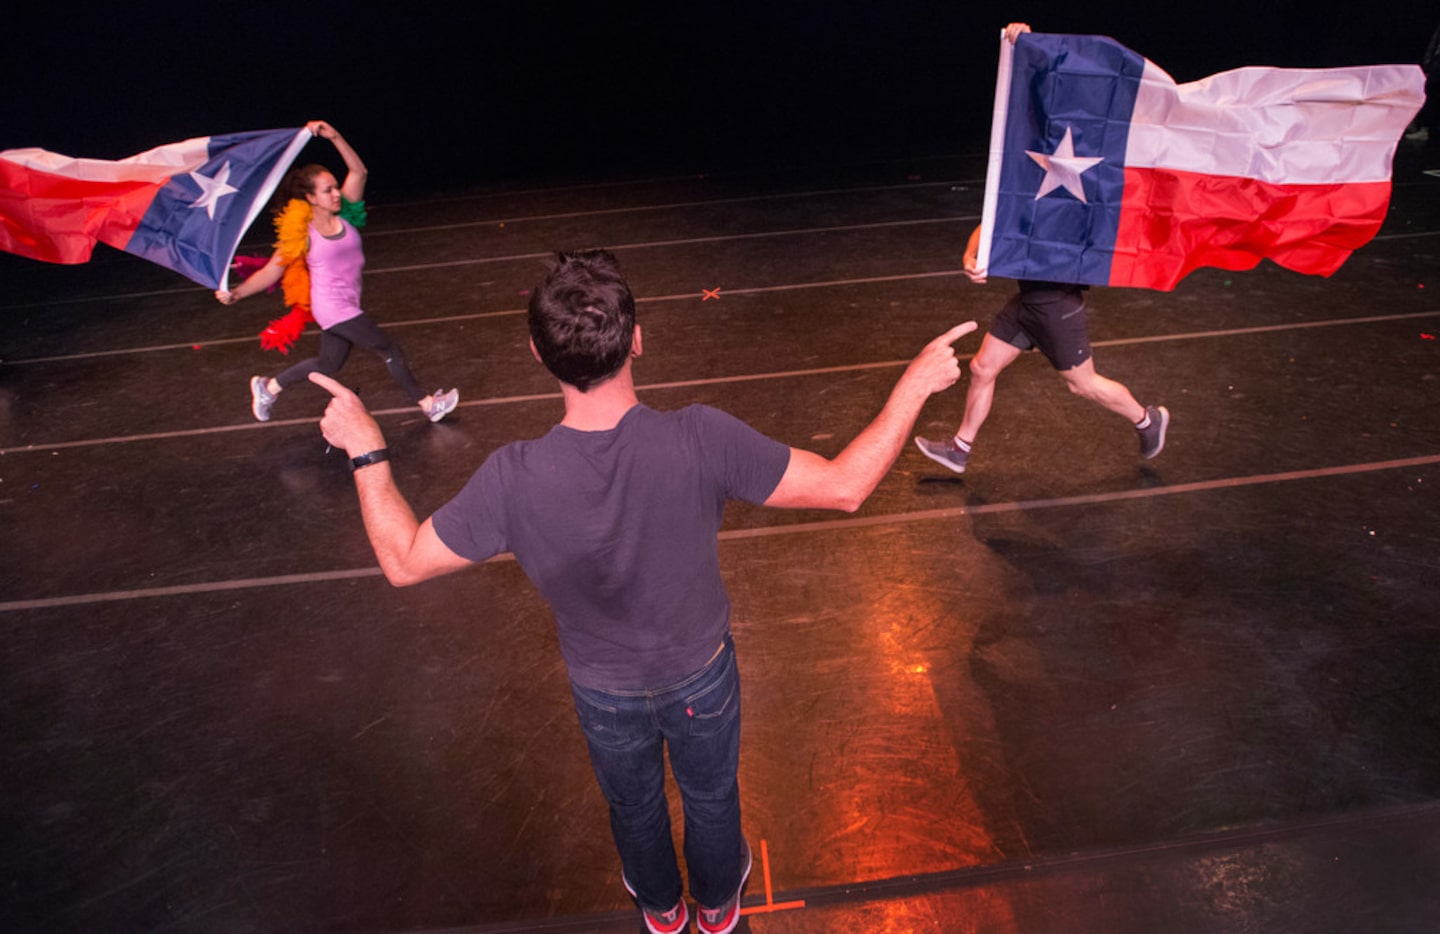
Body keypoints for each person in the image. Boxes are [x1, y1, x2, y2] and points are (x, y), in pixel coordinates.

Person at [310, 249, 975, 934]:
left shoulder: (512, 478)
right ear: (637, 340)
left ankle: (661, 911)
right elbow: (845, 486)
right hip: (701, 679)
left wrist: (368, 450)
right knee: (712, 798)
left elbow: (404, 560)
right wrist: (915, 385)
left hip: (604, 693)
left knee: (633, 808)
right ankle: (718, 910)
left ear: (537, 353)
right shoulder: (700, 438)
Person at [914, 22, 1168, 475]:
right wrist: (972, 255)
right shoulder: (1034, 181)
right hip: (1029, 300)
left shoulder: (1086, 199)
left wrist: (1028, 46)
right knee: (982, 368)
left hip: (1055, 303)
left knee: (1082, 384)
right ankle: (960, 449)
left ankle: (1148, 420)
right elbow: (993, 221)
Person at [216, 120, 458, 423]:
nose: (335, 194)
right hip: (333, 307)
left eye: (334, 187)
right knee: (388, 348)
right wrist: (236, 293)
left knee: (327, 364)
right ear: (311, 197)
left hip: (348, 302)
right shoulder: (303, 234)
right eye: (327, 190)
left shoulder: (344, 215)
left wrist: (336, 138)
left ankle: (269, 386)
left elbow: (360, 172)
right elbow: (271, 272)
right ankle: (427, 404)